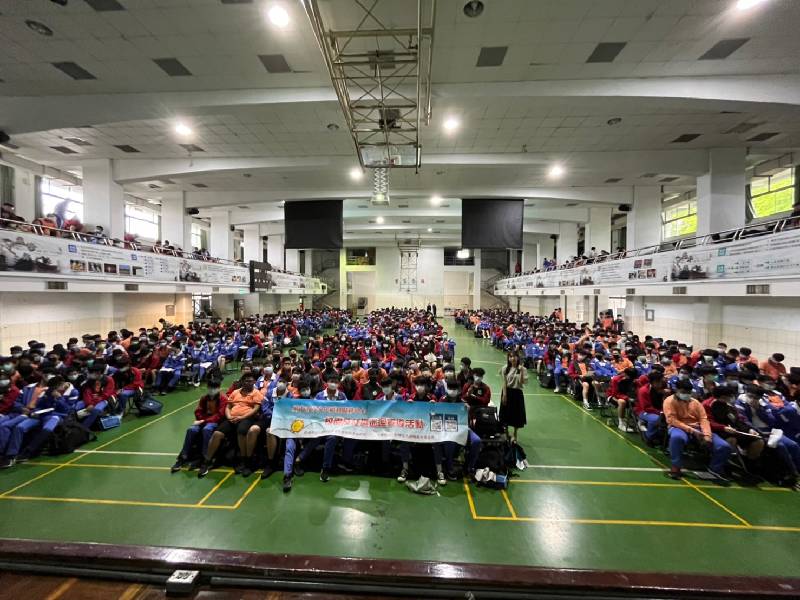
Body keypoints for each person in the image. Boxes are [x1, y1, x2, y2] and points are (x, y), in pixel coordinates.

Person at [663, 379, 732, 480]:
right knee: (677, 438)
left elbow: (703, 419)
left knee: (724, 446)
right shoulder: (669, 401)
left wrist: (707, 435)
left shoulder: (696, 403)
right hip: (678, 427)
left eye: (688, 392)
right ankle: (676, 466)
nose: (686, 394)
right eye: (683, 392)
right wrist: (691, 431)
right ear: (676, 390)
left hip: (698, 428)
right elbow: (672, 420)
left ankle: (715, 469)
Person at [198, 372, 263, 478]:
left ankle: (244, 460)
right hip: (231, 418)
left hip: (246, 418)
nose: (248, 382)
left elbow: (255, 409)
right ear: (242, 382)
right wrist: (228, 416)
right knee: (217, 433)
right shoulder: (235, 392)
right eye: (246, 380)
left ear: (254, 382)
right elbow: (228, 406)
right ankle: (207, 461)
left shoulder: (256, 393)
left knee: (241, 432)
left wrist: (242, 417)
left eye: (250, 381)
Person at [171, 379, 227, 472]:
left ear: (219, 388)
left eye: (215, 387)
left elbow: (220, 415)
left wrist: (204, 421)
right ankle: (183, 456)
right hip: (203, 420)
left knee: (207, 429)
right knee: (191, 430)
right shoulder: (204, 398)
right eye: (210, 387)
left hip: (214, 422)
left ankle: (205, 456)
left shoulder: (223, 399)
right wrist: (201, 419)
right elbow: (198, 411)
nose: (212, 389)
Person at [499, 352, 527, 441]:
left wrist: (521, 371)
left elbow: (522, 382)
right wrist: (504, 395)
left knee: (516, 414)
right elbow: (504, 382)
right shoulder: (505, 368)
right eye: (510, 357)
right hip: (507, 392)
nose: (512, 358)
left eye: (514, 356)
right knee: (505, 413)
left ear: (518, 358)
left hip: (517, 393)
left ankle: (515, 433)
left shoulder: (522, 369)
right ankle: (506, 431)